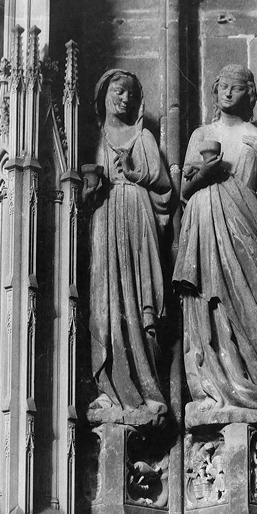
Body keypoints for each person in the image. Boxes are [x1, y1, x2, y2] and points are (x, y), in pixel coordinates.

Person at [173, 64, 257, 426]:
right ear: (215, 90)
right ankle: (213, 390)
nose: (228, 93)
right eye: (223, 86)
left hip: (245, 234)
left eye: (237, 88)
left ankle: (253, 388)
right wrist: (205, 174)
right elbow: (184, 191)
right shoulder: (201, 134)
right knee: (208, 306)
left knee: (249, 307)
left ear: (248, 95)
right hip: (205, 226)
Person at [83, 69, 171, 426]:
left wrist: (136, 176)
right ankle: (106, 389)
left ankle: (146, 390)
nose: (125, 99)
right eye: (119, 92)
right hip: (104, 225)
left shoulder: (143, 137)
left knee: (137, 304)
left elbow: (164, 186)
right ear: (104, 94)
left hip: (137, 223)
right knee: (104, 308)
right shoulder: (93, 138)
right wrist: (91, 190)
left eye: (132, 95)